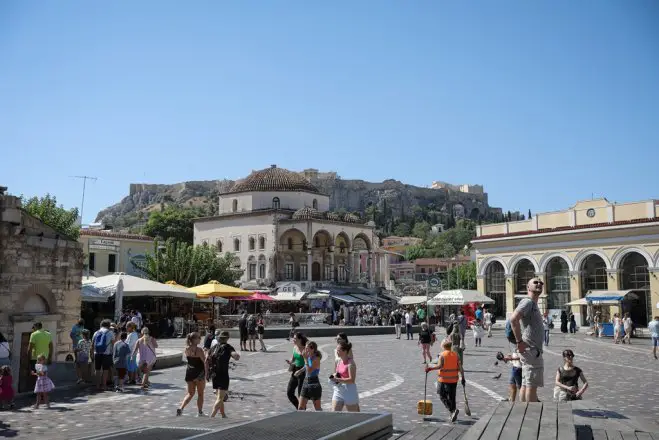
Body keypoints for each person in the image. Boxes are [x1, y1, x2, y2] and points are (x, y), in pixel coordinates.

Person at [509, 278, 545, 402]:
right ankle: (532, 414)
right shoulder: (528, 302)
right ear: (528, 287)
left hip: (530, 350)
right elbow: (513, 319)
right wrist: (519, 342)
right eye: (535, 282)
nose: (539, 284)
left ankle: (523, 412)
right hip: (531, 350)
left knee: (525, 384)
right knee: (531, 386)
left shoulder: (532, 304)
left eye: (541, 283)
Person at [425, 339, 465, 423]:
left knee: (441, 395)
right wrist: (463, 378)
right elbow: (461, 368)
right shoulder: (456, 354)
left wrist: (430, 368)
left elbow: (439, 366)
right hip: (454, 379)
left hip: (443, 379)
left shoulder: (442, 355)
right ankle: (453, 413)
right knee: (452, 397)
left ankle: (452, 410)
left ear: (443, 346)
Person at [209, 331, 240, 418]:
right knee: (220, 398)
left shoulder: (215, 347)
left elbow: (207, 357)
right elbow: (236, 356)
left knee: (219, 396)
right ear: (227, 338)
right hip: (223, 375)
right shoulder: (228, 347)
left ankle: (223, 415)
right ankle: (211, 417)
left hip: (214, 374)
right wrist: (236, 355)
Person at [177, 332, 207, 417]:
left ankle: (181, 408)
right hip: (199, 373)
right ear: (194, 339)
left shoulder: (187, 349)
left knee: (190, 393)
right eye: (198, 337)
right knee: (200, 394)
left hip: (189, 372)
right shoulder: (199, 350)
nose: (200, 339)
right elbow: (204, 361)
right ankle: (200, 412)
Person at [331, 341, 359, 412]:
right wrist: (334, 376)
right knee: (334, 412)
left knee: (353, 415)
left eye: (338, 350)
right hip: (338, 390)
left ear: (345, 351)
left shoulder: (351, 363)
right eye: (336, 350)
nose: (337, 352)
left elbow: (352, 380)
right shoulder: (338, 361)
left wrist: (338, 379)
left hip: (349, 390)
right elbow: (336, 373)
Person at [298, 341, 322, 411]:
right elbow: (306, 366)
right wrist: (300, 371)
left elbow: (309, 370)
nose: (305, 350)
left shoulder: (316, 359)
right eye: (305, 348)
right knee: (301, 408)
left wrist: (305, 359)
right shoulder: (309, 357)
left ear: (313, 349)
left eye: (307, 348)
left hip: (314, 384)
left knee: (317, 409)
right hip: (306, 383)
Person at [286, 332, 307, 409]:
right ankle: (299, 407)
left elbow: (309, 364)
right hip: (295, 371)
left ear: (300, 339)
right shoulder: (295, 347)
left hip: (302, 372)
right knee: (289, 392)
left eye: (295, 338)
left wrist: (301, 371)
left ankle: (302, 410)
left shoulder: (305, 349)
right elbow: (293, 358)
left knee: (300, 395)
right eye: (293, 338)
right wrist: (290, 361)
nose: (293, 340)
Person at [92, 319, 114, 391]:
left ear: (101, 325)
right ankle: (104, 386)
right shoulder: (110, 333)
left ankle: (97, 385)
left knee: (97, 370)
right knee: (105, 370)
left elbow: (92, 344)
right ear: (108, 326)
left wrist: (91, 354)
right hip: (106, 354)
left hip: (97, 353)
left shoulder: (96, 332)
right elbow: (113, 344)